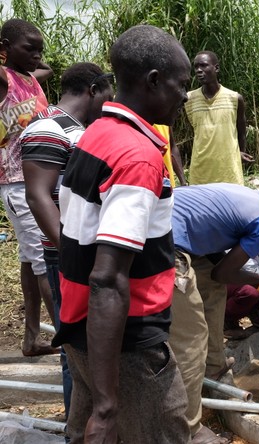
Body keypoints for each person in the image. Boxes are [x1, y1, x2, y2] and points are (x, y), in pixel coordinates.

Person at [54, 25, 191, 443]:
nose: (185, 96)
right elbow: (109, 277)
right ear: (152, 81)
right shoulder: (137, 157)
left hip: (83, 331)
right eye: (180, 85)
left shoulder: (97, 134)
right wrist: (107, 405)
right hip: (128, 344)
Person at [168, 180, 259, 444]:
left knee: (212, 288)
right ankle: (189, 429)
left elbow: (217, 270)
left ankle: (214, 367)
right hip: (165, 239)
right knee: (191, 339)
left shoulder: (251, 198)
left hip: (180, 232)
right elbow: (226, 272)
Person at [20, 61, 114, 423]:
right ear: (93, 90)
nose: (110, 101)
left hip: (85, 253)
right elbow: (38, 196)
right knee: (74, 347)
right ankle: (79, 431)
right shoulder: (49, 127)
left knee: (91, 345)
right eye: (107, 93)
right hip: (68, 257)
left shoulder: (79, 130)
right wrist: (70, 250)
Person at [0, 18, 55, 358]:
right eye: (29, 48)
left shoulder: (29, 79)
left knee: (30, 259)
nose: (37, 56)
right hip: (19, 183)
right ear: (4, 50)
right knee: (46, 260)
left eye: (40, 50)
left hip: (34, 181)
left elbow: (42, 67)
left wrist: (27, 57)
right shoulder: (5, 79)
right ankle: (70, 339)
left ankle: (32, 338)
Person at [184, 50, 251, 185]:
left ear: (216, 68)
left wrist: (241, 152)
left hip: (228, 169)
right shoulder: (189, 99)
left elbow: (241, 129)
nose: (199, 70)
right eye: (196, 67)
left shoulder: (234, 98)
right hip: (201, 170)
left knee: (230, 205)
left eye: (204, 65)